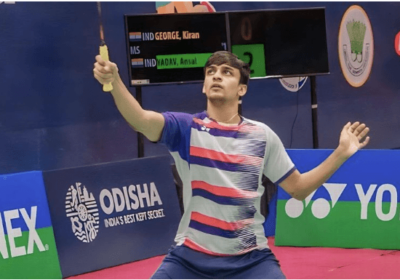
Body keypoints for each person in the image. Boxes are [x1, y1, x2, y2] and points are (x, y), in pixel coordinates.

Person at [93, 51, 370, 279]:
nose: (216, 75)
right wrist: (116, 81)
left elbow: (298, 188)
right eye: (211, 71)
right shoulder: (186, 130)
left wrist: (342, 152)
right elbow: (141, 119)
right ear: (203, 85)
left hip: (250, 261)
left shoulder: (261, 136)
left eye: (227, 72)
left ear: (241, 90)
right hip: (189, 259)